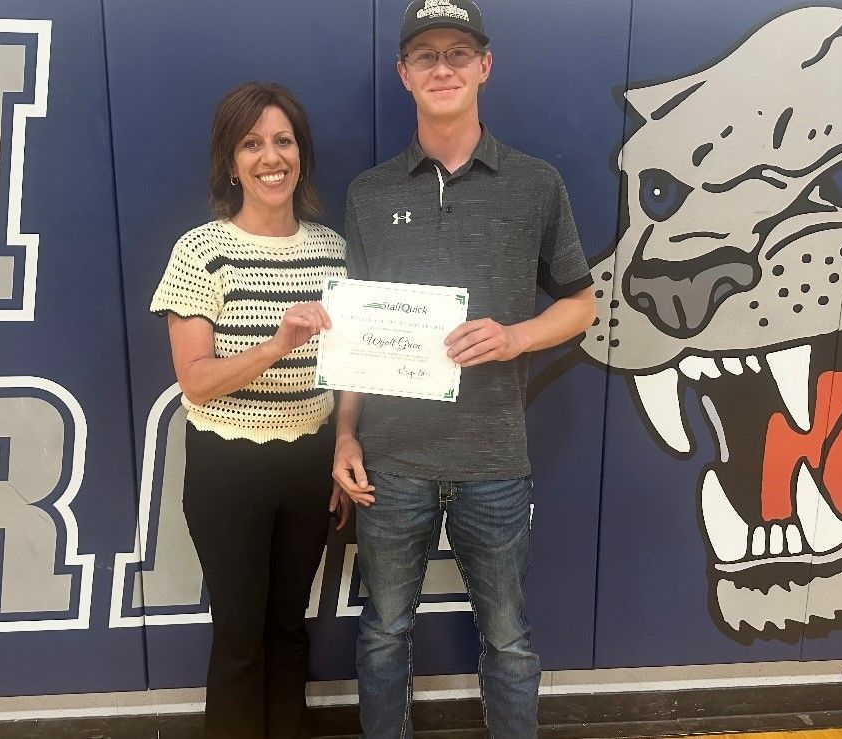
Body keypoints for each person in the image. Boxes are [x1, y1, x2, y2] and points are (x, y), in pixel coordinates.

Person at [332, 1, 597, 736]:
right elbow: (354, 334)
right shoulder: (369, 193)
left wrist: (514, 337)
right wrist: (346, 435)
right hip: (392, 461)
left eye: (457, 53)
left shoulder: (535, 182)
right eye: (426, 56)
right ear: (403, 74)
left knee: (508, 639)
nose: (441, 68)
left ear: (485, 66)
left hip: (494, 459)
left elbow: (581, 304)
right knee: (384, 632)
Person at [150, 81, 349, 739]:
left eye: (283, 141)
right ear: (230, 161)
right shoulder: (201, 251)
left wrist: (344, 448)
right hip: (226, 467)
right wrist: (277, 345)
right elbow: (196, 382)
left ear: (302, 153)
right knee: (240, 635)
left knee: (290, 628)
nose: (271, 157)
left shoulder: (334, 252)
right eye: (252, 143)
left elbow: (351, 368)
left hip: (310, 460)